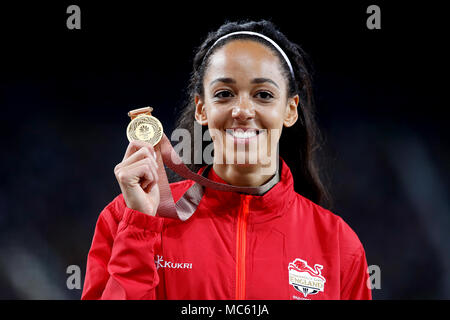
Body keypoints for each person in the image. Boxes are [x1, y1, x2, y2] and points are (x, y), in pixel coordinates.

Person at [81, 20, 372, 300]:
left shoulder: (338, 245)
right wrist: (140, 226)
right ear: (202, 109)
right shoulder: (127, 216)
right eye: (224, 94)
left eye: (263, 94)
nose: (242, 110)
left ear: (290, 110)